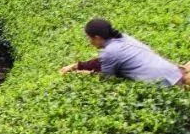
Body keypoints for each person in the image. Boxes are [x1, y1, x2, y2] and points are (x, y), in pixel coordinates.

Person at [60, 18, 189, 87]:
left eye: (89, 38)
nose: (89, 41)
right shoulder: (122, 38)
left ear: (97, 38)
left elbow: (106, 78)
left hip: (164, 82)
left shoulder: (110, 52)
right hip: (172, 71)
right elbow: (101, 61)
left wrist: (80, 73)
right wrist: (77, 65)